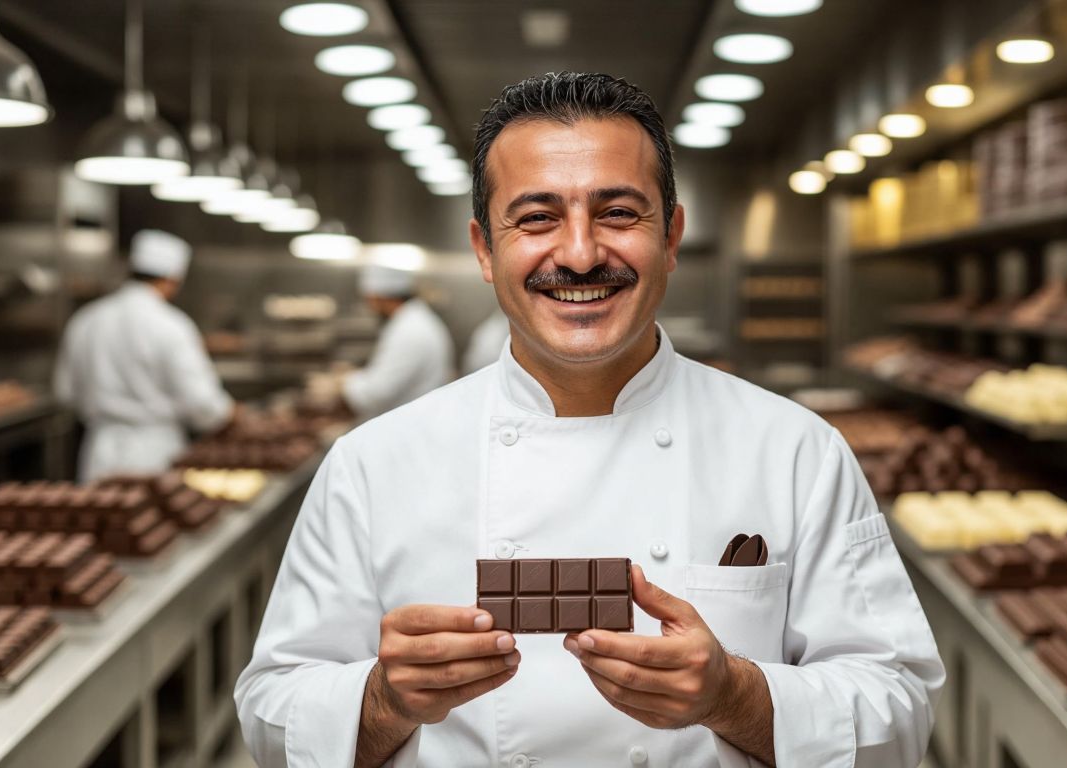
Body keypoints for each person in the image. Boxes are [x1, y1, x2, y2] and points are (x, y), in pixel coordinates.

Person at [236, 72, 942, 768]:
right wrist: (384, 699)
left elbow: (901, 711)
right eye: (537, 218)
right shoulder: (371, 464)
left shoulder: (797, 452)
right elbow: (273, 710)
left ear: (671, 236)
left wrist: (736, 695)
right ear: (485, 250)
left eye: (619, 213)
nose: (579, 255)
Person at [53, 229, 234, 484]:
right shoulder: (171, 324)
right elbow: (203, 405)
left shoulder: (87, 319)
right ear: (172, 279)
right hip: (155, 452)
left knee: (97, 508)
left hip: (99, 452)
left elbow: (65, 393)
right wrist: (229, 413)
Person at [309, 265, 455, 420]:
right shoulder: (414, 320)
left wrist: (342, 383)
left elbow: (377, 393)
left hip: (410, 421)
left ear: (378, 297)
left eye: (368, 299)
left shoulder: (410, 330)